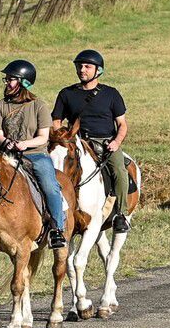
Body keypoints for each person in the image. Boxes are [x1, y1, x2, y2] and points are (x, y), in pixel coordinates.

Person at [0, 59, 67, 249]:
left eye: (11, 79)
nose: (6, 83)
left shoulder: (39, 106)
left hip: (36, 155)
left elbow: (43, 137)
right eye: (6, 79)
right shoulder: (0, 106)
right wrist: (6, 143)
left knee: (50, 185)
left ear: (24, 82)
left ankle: (57, 230)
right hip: (6, 156)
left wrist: (24, 144)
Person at [52, 48, 131, 231]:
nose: (82, 70)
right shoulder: (66, 94)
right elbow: (56, 121)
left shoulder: (111, 94)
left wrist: (116, 143)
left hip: (105, 143)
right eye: (79, 66)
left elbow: (122, 124)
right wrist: (64, 137)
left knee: (119, 170)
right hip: (77, 143)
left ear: (99, 71)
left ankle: (121, 214)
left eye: (87, 66)